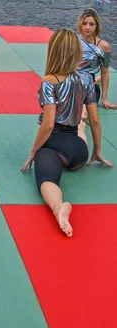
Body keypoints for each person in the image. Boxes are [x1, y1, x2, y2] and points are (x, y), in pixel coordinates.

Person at [21, 29, 113, 238]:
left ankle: (58, 208)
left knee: (47, 180)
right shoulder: (86, 79)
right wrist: (97, 151)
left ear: (53, 51)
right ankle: (80, 130)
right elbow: (95, 120)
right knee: (81, 126)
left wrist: (33, 151)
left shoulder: (49, 81)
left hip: (54, 146)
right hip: (78, 152)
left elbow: (48, 125)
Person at [77, 8, 117, 110]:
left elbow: (105, 72)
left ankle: (95, 82)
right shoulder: (72, 41)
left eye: (91, 24)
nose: (87, 27)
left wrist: (105, 99)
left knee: (84, 112)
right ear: (80, 24)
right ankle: (96, 80)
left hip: (89, 86)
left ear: (97, 26)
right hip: (72, 83)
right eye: (84, 23)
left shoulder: (104, 46)